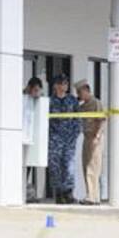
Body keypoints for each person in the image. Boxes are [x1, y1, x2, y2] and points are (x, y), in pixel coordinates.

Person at [48, 74, 81, 204]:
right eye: (61, 84)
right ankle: (59, 193)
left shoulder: (72, 100)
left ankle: (68, 193)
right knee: (55, 167)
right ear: (55, 85)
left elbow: (77, 119)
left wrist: (74, 135)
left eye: (66, 84)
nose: (64, 86)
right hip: (54, 139)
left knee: (69, 166)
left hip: (69, 139)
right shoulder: (50, 101)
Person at [74, 79, 105, 206]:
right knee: (86, 166)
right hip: (86, 137)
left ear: (86, 90)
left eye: (79, 92)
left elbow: (101, 120)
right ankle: (92, 196)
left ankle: (92, 197)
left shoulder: (95, 102)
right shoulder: (82, 106)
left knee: (93, 167)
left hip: (94, 137)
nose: (78, 95)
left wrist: (97, 137)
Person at [23, 77, 43, 203]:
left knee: (28, 166)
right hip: (20, 138)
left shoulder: (35, 99)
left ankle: (26, 192)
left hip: (29, 138)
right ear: (29, 88)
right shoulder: (20, 98)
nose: (37, 94)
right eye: (35, 90)